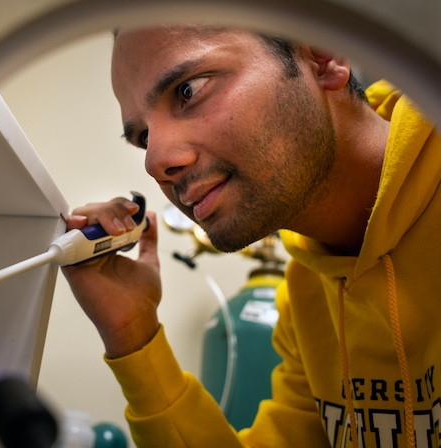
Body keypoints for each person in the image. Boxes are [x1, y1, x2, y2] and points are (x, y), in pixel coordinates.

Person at [61, 25, 441, 448]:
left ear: (321, 56)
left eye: (188, 91)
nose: (155, 162)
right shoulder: (304, 303)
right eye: (143, 137)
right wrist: (134, 332)